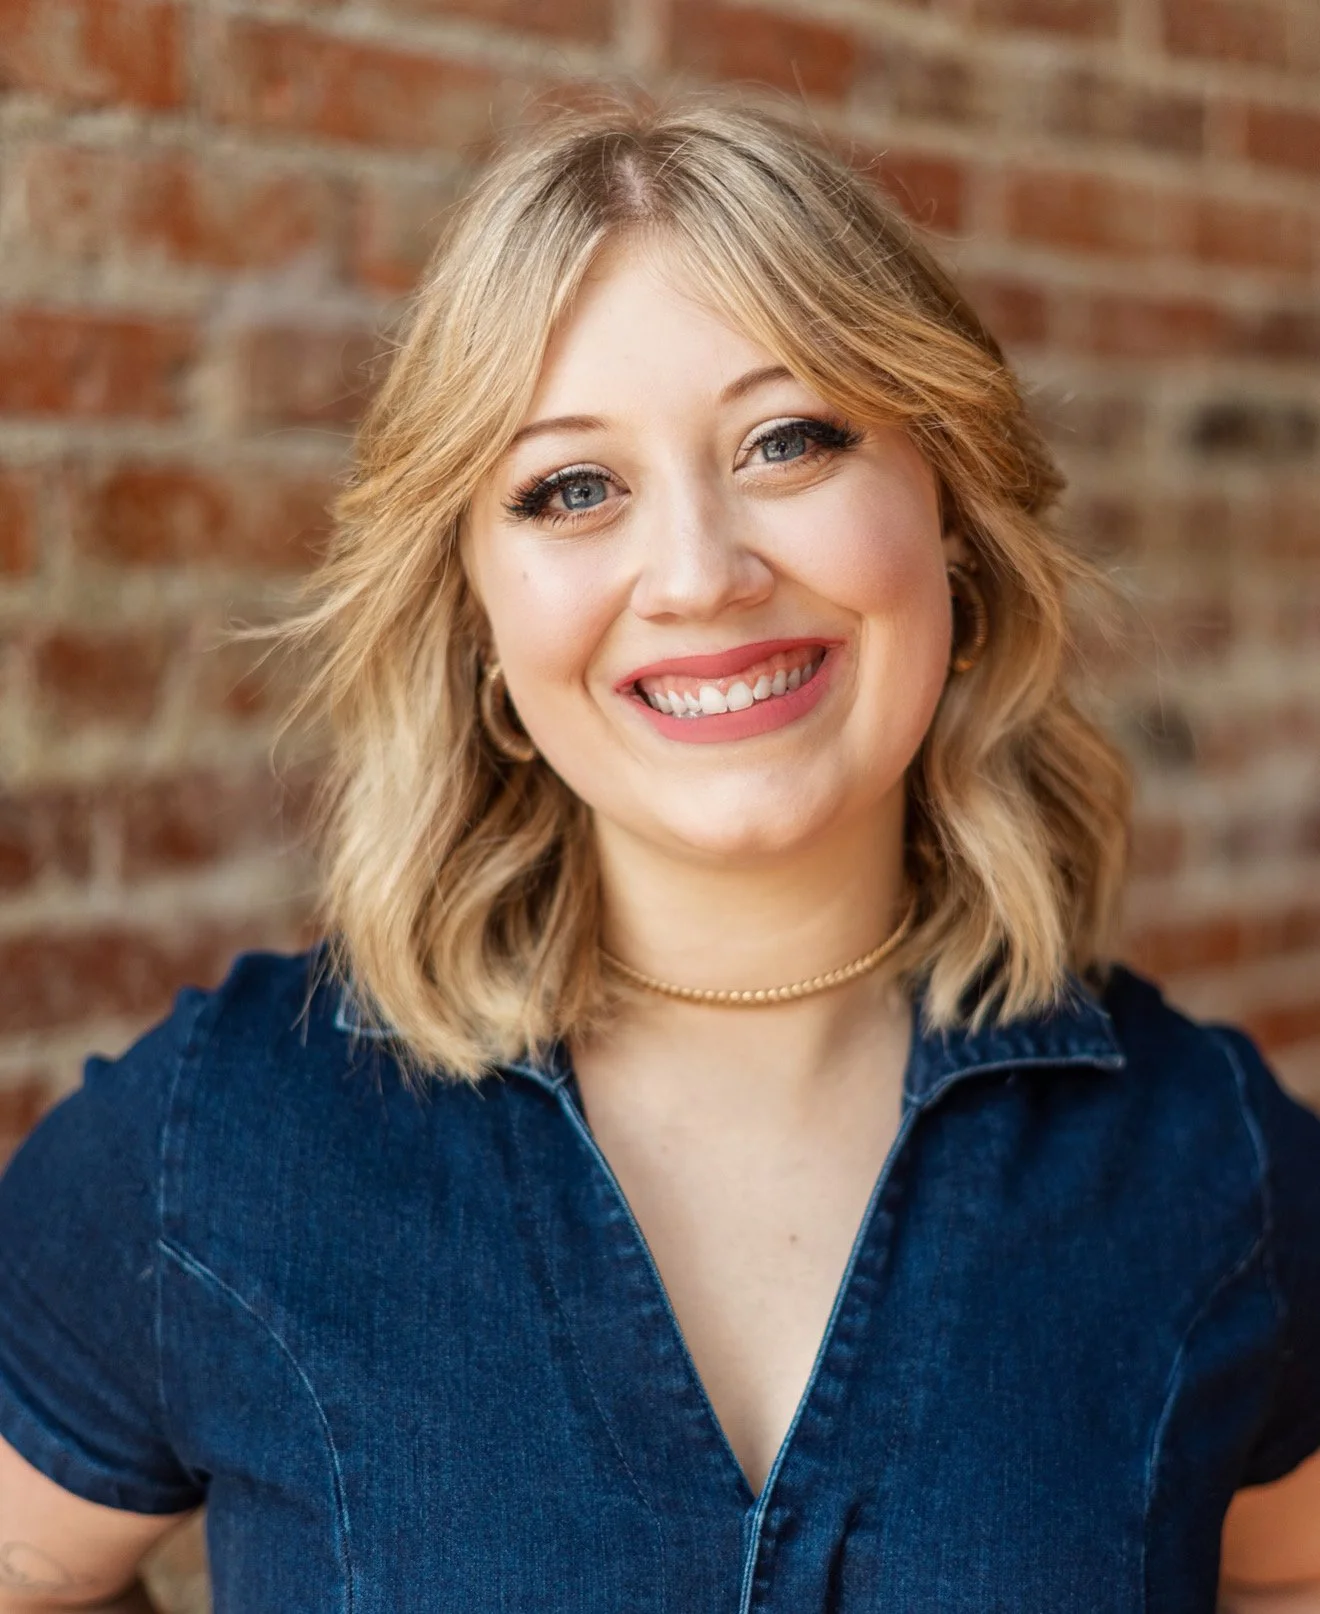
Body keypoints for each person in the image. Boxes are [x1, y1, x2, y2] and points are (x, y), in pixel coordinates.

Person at [0, 86, 1317, 1614]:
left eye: (791, 438)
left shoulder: (1211, 1160)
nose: (698, 572)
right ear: (482, 623)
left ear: (950, 520)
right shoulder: (221, 1140)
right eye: (573, 487)